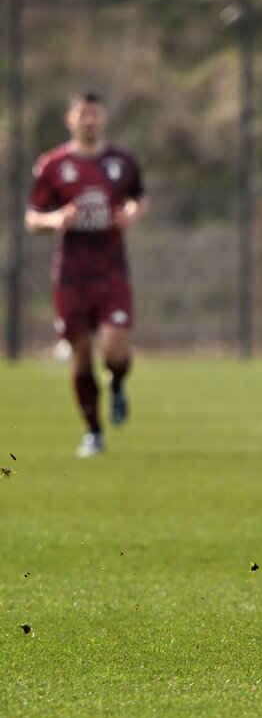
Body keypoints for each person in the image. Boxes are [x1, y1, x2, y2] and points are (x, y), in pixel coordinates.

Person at [25, 90, 148, 458]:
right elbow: (32, 218)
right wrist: (55, 219)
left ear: (104, 118)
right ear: (70, 120)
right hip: (71, 275)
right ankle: (94, 431)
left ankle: (118, 383)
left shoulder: (123, 161)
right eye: (83, 114)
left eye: (95, 114)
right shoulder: (52, 165)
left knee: (113, 351)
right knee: (81, 356)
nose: (89, 120)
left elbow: (139, 198)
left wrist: (133, 213)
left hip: (111, 271)